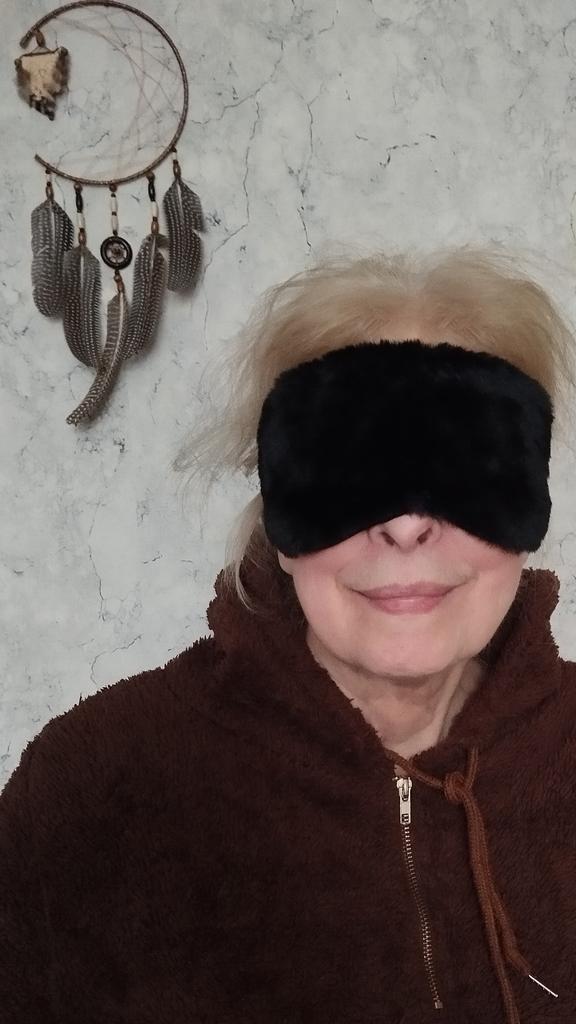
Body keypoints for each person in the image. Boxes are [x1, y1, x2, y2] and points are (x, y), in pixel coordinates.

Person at [2, 246, 576, 1024]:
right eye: (352, 465)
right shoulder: (98, 787)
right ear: (276, 511)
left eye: (468, 460)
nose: (407, 524)